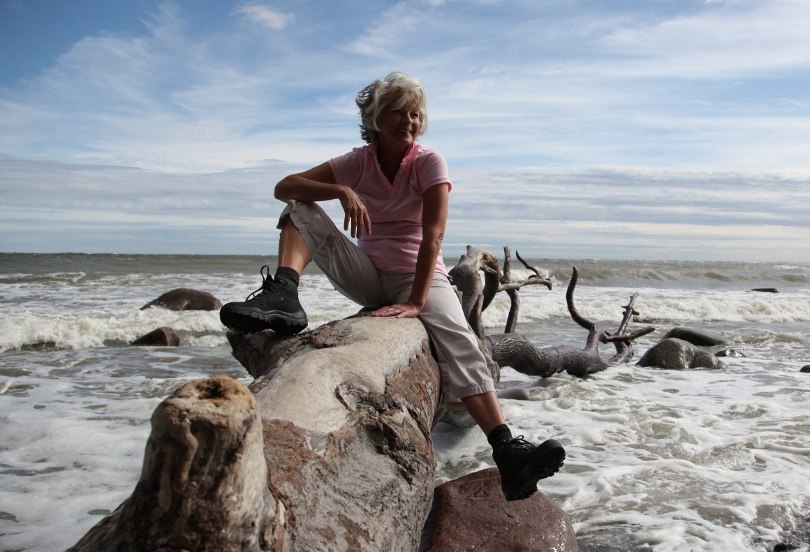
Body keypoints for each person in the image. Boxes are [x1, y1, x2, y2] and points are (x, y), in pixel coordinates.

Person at [220, 72, 564, 501]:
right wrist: (341, 190)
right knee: (300, 208)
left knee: (461, 342)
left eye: (416, 113)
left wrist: (417, 300)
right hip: (366, 272)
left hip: (418, 276)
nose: (409, 120)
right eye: (398, 112)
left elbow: (433, 235)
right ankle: (284, 294)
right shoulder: (357, 162)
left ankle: (508, 451)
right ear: (377, 119)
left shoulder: (428, 162)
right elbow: (284, 187)